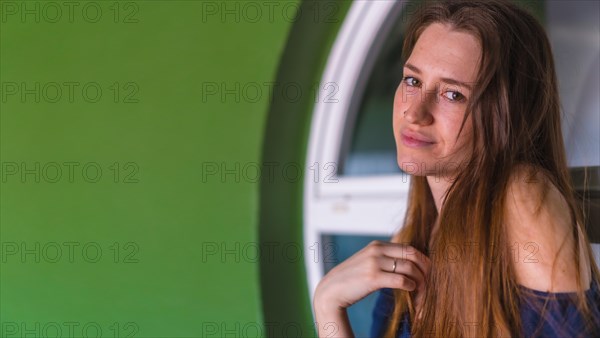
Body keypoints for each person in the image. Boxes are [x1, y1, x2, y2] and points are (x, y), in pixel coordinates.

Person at [312, 0, 600, 337]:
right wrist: (327, 303)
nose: (415, 113)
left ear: (504, 116)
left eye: (452, 94)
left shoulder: (522, 195)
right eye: (412, 81)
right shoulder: (411, 238)